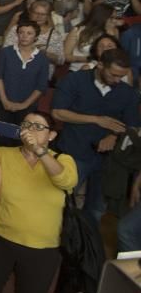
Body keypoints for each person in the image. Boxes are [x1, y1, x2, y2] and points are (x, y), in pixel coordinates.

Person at [0, 112, 77, 293]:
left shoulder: (63, 160)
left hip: (43, 249)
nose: (30, 129)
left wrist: (40, 151)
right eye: (26, 125)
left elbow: (66, 181)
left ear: (51, 135)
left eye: (38, 127)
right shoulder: (1, 154)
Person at [52, 48, 139, 226]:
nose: (117, 80)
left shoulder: (127, 92)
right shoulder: (75, 80)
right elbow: (58, 113)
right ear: (100, 65)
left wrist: (114, 136)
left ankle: (89, 247)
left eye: (120, 77)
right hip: (75, 152)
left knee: (96, 209)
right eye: (113, 74)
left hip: (108, 160)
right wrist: (96, 120)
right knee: (62, 202)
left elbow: (131, 125)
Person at [0, 20, 50, 125]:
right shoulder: (5, 52)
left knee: (23, 137)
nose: (24, 36)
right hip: (3, 103)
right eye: (21, 32)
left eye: (29, 33)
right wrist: (4, 101)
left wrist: (25, 104)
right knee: (2, 136)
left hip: (28, 107)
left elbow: (41, 86)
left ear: (36, 37)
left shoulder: (42, 59)